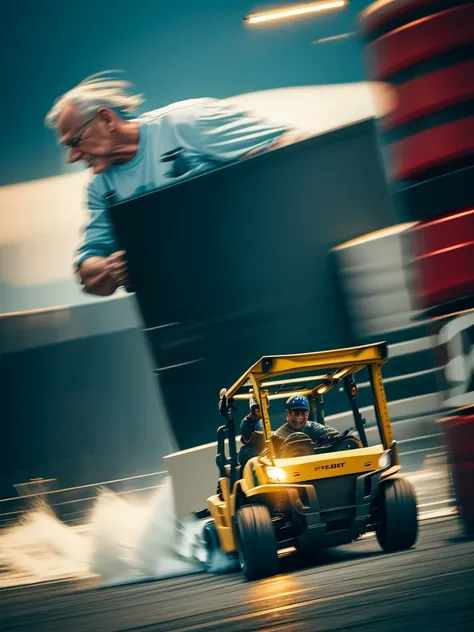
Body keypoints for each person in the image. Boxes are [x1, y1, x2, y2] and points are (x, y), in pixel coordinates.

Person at [45, 71, 304, 296]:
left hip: (265, 277)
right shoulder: (100, 189)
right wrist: (108, 268)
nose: (72, 157)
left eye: (74, 141)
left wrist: (247, 181)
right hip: (186, 309)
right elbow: (88, 274)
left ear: (107, 120)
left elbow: (293, 143)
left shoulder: (189, 123)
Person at [275, 395, 342, 446]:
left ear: (308, 414)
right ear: (288, 413)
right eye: (296, 413)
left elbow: (334, 435)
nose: (300, 418)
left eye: (304, 413)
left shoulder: (314, 427)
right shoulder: (279, 435)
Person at [238, 396, 265, 469]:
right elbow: (249, 440)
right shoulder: (246, 423)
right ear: (252, 410)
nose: (260, 413)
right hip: (251, 449)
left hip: (262, 447)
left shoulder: (263, 420)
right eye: (257, 411)